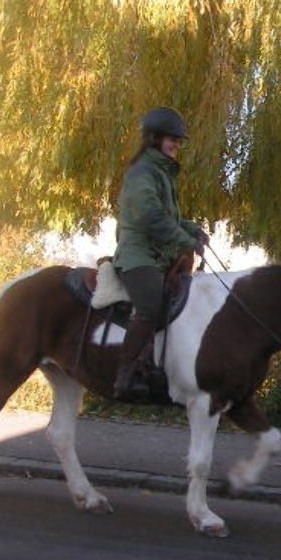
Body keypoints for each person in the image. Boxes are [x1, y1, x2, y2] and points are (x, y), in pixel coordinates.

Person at [111, 106, 208, 401]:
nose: (176, 144)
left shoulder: (162, 173)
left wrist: (193, 230)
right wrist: (185, 240)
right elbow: (150, 217)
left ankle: (164, 368)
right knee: (150, 308)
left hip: (158, 255)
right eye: (171, 139)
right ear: (154, 139)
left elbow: (169, 217)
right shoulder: (143, 172)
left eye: (178, 140)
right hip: (138, 255)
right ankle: (124, 376)